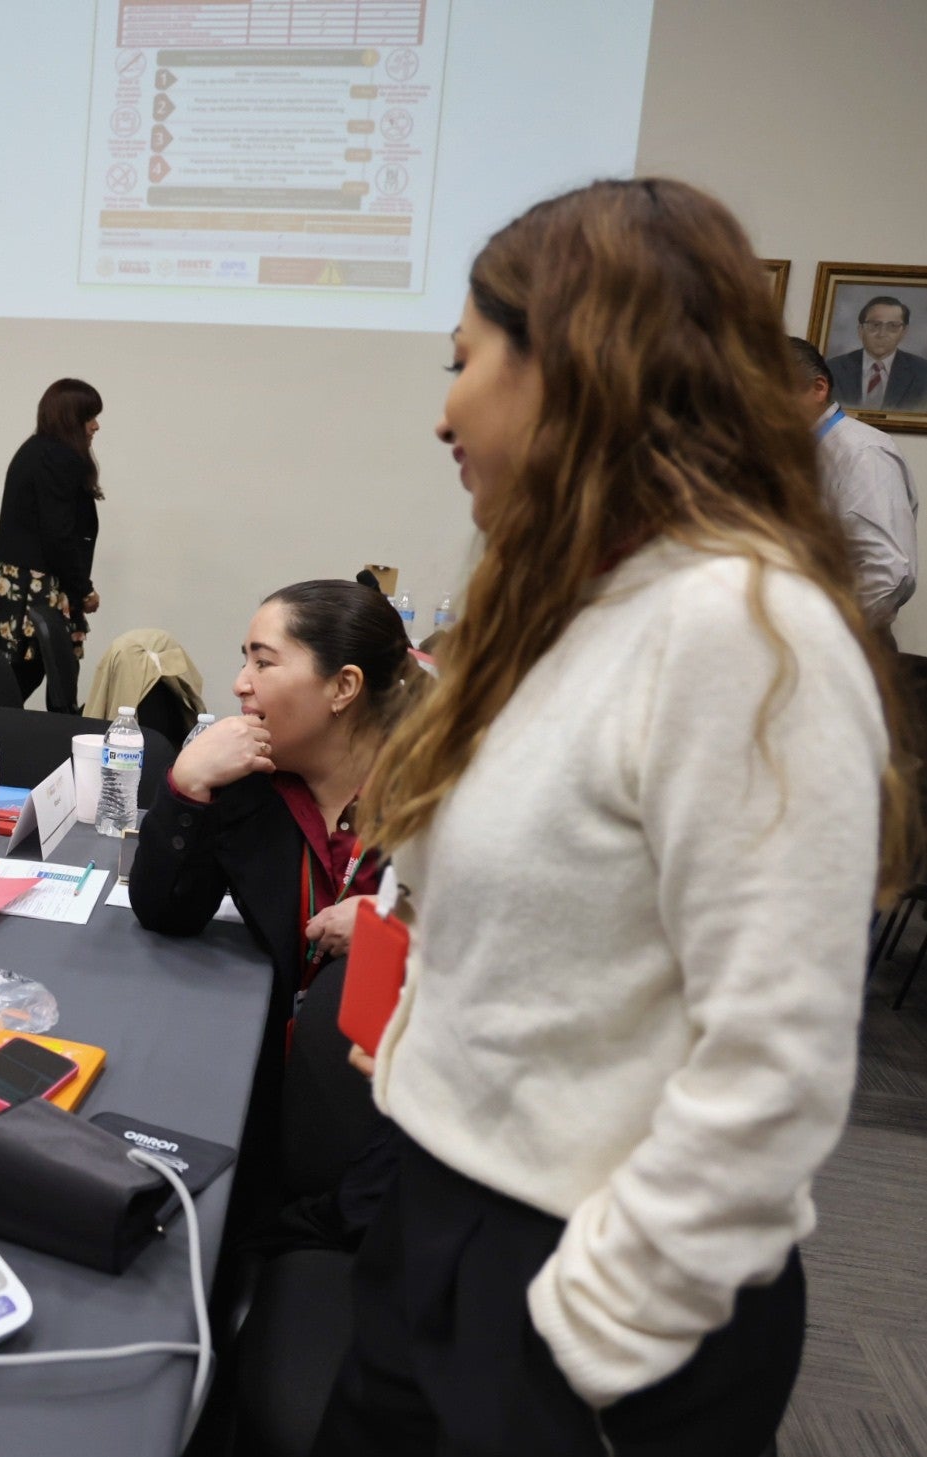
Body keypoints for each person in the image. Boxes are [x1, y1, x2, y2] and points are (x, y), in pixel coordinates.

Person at [313, 179, 908, 1456]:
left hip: (580, 1284)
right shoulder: (571, 610)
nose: (442, 410)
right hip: (444, 1219)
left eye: (463, 361)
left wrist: (579, 1334)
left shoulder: (741, 632)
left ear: (575, 369)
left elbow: (775, 1068)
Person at [131, 580, 421, 1242]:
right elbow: (164, 911)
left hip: (394, 1118)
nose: (240, 683)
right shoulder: (253, 787)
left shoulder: (437, 794)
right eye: (244, 659)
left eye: (263, 662)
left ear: (342, 687)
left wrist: (395, 923)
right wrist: (186, 784)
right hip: (277, 1093)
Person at [0, 378, 103, 699]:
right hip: (35, 586)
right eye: (89, 417)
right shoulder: (58, 457)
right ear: (70, 419)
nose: (96, 426)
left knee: (20, 672)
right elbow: (59, 535)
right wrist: (84, 590)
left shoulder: (39, 451)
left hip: (27, 581)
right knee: (25, 673)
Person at [791, 336, 918, 633]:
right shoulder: (794, 450)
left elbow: (888, 572)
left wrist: (825, 636)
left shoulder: (863, 453)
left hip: (844, 645)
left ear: (818, 388)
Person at [829, 294, 927, 412]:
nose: (882, 334)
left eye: (893, 326)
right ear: (860, 330)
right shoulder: (833, 369)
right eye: (875, 325)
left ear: (904, 332)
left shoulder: (922, 372)